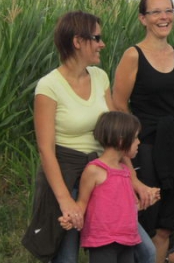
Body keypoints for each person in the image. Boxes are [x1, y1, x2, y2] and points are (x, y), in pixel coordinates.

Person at [23, 11, 155, 263]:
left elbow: (116, 137)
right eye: (97, 38)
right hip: (67, 175)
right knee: (66, 257)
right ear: (77, 41)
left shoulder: (100, 76)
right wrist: (66, 202)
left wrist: (135, 181)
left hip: (105, 173)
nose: (102, 44)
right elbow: (46, 149)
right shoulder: (49, 86)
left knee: (145, 251)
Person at [113, 0, 174, 263]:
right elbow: (118, 103)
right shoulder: (133, 55)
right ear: (143, 19)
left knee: (168, 218)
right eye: (155, 12)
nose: (164, 17)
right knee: (147, 216)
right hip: (146, 147)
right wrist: (135, 141)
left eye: (168, 10)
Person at [59, 111, 157, 263]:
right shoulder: (94, 170)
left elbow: (128, 206)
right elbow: (82, 203)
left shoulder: (125, 172)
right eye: (135, 137)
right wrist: (71, 218)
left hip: (127, 240)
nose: (139, 142)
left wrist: (146, 201)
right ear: (120, 141)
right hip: (103, 242)